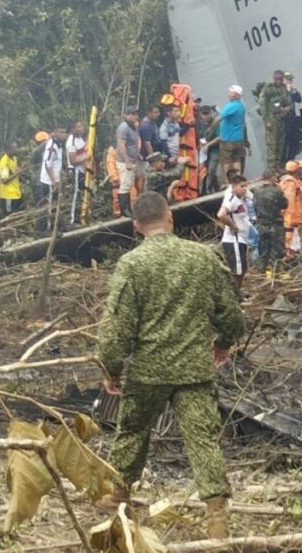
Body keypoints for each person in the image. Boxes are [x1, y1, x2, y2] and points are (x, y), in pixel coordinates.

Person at [96, 192, 244, 539]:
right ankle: (217, 516)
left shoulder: (132, 264)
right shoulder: (202, 257)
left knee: (132, 431)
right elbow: (230, 313)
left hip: (148, 370)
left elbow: (117, 327)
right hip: (194, 368)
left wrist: (110, 368)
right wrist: (223, 344)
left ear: (136, 226)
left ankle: (118, 494)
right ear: (170, 217)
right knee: (203, 439)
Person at [217, 175, 252, 291]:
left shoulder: (242, 199)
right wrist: (232, 226)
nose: (245, 189)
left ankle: (237, 292)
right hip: (233, 240)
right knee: (237, 271)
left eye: (246, 186)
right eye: (242, 186)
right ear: (234, 186)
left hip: (242, 239)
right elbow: (221, 214)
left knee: (242, 269)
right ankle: (234, 294)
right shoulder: (231, 199)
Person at [252, 168, 288, 277]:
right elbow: (285, 204)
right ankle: (276, 274)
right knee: (277, 251)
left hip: (262, 225)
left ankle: (261, 273)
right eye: (275, 177)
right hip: (275, 225)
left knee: (263, 251)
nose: (276, 179)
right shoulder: (276, 191)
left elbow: (254, 207)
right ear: (272, 177)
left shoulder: (257, 191)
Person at [214, 86, 249, 184]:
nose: (229, 94)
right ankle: (238, 178)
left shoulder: (232, 106)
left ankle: (226, 180)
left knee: (226, 161)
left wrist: (210, 128)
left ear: (237, 95)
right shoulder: (241, 106)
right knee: (236, 159)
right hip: (239, 138)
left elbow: (219, 118)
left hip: (228, 138)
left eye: (231, 93)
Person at [38, 125, 68, 233]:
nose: (63, 135)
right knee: (49, 206)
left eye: (64, 133)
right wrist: (54, 182)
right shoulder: (52, 146)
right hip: (48, 181)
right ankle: (47, 229)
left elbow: (56, 163)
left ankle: (57, 226)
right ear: (55, 133)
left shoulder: (59, 145)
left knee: (56, 204)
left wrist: (62, 173)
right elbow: (48, 165)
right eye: (61, 133)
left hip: (55, 179)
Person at [259, 70, 290, 170]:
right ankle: (272, 169)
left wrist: (286, 109)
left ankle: (278, 166)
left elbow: (289, 103)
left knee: (281, 144)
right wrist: (266, 120)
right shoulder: (267, 89)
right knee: (272, 144)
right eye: (277, 79)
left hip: (281, 119)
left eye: (280, 79)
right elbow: (263, 105)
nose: (278, 81)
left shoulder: (283, 89)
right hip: (271, 120)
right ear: (273, 78)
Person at [115, 106, 141, 219]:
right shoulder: (124, 128)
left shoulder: (133, 127)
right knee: (125, 185)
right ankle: (124, 210)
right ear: (126, 115)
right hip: (125, 161)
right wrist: (127, 160)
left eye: (136, 114)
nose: (135, 116)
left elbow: (133, 143)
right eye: (132, 114)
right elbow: (121, 144)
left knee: (129, 184)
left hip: (133, 159)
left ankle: (128, 208)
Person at [279, 160, 302, 260]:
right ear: (297, 170)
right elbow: (289, 202)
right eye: (300, 167)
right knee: (291, 248)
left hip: (297, 219)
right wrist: (291, 221)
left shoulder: (296, 181)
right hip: (292, 220)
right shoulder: (290, 184)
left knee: (296, 246)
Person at [66, 120, 89, 225]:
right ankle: (72, 220)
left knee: (81, 194)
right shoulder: (71, 142)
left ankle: (81, 217)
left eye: (81, 126)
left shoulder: (80, 139)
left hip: (82, 171)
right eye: (78, 126)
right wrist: (87, 157)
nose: (81, 128)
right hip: (76, 171)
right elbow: (73, 161)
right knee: (75, 195)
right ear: (73, 129)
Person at [281, 73, 302, 163]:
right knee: (285, 142)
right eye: (287, 80)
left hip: (292, 119)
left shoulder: (291, 90)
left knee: (296, 139)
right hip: (284, 121)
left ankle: (291, 159)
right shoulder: (279, 91)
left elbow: (299, 99)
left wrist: (293, 90)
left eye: (290, 79)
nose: (290, 81)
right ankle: (284, 162)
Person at [0, 142, 23, 218]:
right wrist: (18, 172)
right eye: (14, 148)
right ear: (8, 150)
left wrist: (21, 169)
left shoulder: (14, 159)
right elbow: (4, 180)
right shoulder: (4, 161)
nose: (17, 150)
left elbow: (14, 172)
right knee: (9, 217)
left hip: (15, 193)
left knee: (15, 216)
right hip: (8, 194)